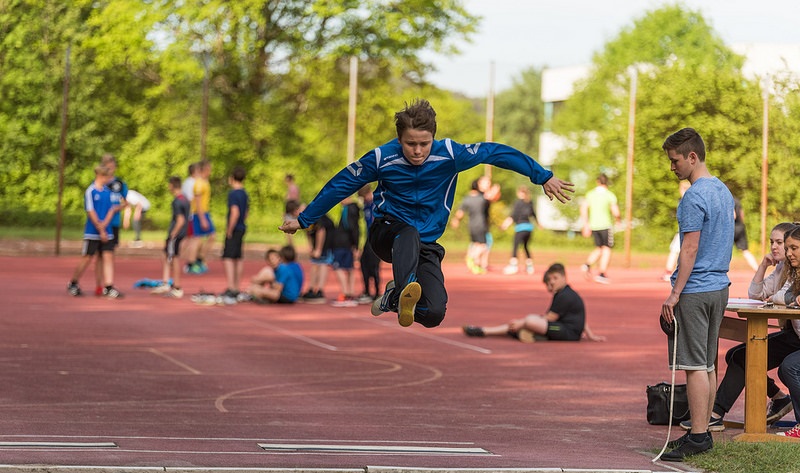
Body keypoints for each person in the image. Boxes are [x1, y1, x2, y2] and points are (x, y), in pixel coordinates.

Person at [279, 98, 574, 328]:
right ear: (400, 139)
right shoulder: (382, 158)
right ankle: (404, 287)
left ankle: (395, 297)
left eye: (424, 144)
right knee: (407, 231)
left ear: (433, 137)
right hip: (387, 232)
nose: (418, 151)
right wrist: (304, 219)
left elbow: (495, 152)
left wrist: (542, 175)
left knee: (433, 313)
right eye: (410, 144)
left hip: (426, 243)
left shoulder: (450, 154)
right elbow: (342, 184)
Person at [677, 222, 798, 433]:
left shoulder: (793, 270)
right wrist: (763, 266)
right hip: (794, 335)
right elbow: (757, 294)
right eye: (774, 243)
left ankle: (716, 414)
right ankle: (776, 399)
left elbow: (784, 297)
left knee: (777, 364)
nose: (779, 249)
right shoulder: (785, 269)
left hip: (794, 336)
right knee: (739, 355)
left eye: (784, 244)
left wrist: (780, 299)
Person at [659, 127, 734, 462]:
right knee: (707, 363)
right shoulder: (723, 190)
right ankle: (701, 430)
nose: (672, 167)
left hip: (696, 289)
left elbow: (689, 249)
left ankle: (699, 436)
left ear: (692, 156)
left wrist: (674, 294)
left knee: (693, 365)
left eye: (675, 160)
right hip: (719, 286)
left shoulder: (693, 197)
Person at [462, 263, 605, 342]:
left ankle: (527, 332)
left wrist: (522, 322)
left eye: (555, 279)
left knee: (530, 320)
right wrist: (590, 335)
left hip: (567, 332)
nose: (552, 283)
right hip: (563, 328)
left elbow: (549, 318)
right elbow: (581, 317)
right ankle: (485, 331)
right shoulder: (564, 293)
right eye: (549, 281)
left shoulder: (565, 296)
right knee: (527, 322)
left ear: (563, 277)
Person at [67, 164, 123, 299]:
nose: (109, 180)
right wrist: (100, 228)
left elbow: (111, 210)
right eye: (107, 177)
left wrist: (105, 226)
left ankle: (108, 286)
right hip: (92, 231)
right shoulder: (91, 191)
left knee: (108, 256)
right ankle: (73, 282)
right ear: (100, 176)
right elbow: (90, 211)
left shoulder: (107, 192)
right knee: (87, 257)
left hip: (107, 231)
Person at [151, 177, 190, 298]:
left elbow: (180, 220)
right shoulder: (186, 199)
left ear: (172, 185)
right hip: (182, 233)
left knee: (174, 258)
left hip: (176, 234)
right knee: (166, 255)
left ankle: (177, 287)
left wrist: (173, 233)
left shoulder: (177, 201)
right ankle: (166, 282)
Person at [580, 173, 620, 284]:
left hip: (594, 225)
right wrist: (618, 220)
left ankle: (587, 264)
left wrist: (586, 224)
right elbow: (616, 211)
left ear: (597, 182)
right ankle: (602, 273)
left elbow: (583, 208)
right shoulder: (609, 195)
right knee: (607, 249)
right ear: (607, 182)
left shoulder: (590, 194)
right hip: (605, 225)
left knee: (599, 248)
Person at [220, 166, 249, 300]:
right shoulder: (244, 193)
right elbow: (246, 212)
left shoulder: (233, 194)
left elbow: (235, 212)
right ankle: (236, 287)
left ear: (232, 178)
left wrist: (229, 229)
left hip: (235, 227)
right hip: (242, 227)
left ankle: (231, 287)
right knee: (238, 257)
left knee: (228, 257)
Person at [451, 179, 490, 274]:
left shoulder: (467, 199)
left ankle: (475, 266)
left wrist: (455, 220)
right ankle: (471, 257)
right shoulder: (482, 198)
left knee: (476, 244)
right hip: (480, 224)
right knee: (483, 245)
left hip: (471, 225)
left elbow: (460, 213)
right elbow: (491, 197)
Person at [330, 195, 361, 307]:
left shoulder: (348, 209)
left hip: (342, 243)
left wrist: (356, 245)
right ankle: (350, 293)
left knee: (338, 267)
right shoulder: (352, 209)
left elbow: (352, 228)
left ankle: (346, 293)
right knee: (349, 268)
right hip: (348, 243)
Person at [500, 186, 539, 275]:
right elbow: (533, 215)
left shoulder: (518, 203)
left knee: (515, 246)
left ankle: (513, 266)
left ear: (519, 193)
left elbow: (513, 216)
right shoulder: (529, 202)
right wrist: (538, 224)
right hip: (529, 228)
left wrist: (505, 225)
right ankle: (530, 267)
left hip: (521, 227)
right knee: (525, 246)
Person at [187, 160, 215, 274]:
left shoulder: (204, 182)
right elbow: (197, 202)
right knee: (197, 239)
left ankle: (199, 258)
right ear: (205, 169)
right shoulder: (199, 183)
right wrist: (202, 218)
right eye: (209, 169)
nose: (210, 172)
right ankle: (191, 263)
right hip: (199, 213)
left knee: (210, 237)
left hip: (204, 212)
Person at [301, 212, 335, 304]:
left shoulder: (313, 214)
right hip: (317, 240)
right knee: (314, 263)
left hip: (327, 241)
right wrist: (311, 246)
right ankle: (311, 289)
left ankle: (320, 290)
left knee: (323, 263)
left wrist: (318, 249)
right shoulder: (303, 217)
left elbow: (321, 230)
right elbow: (307, 231)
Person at [661, 181, 691, 282]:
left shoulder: (689, 200)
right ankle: (669, 271)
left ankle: (670, 272)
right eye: (682, 188)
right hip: (682, 231)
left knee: (677, 251)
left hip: (687, 231)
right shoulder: (682, 201)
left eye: (685, 189)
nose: (683, 191)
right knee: (675, 250)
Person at [357, 184, 381, 304]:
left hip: (377, 237)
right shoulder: (366, 206)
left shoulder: (376, 204)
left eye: (365, 196)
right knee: (363, 263)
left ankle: (377, 292)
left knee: (374, 265)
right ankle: (366, 291)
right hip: (368, 238)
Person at [733, 197, 760, 271]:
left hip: (732, 228)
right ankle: (757, 269)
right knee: (745, 251)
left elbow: (733, 215)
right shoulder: (737, 200)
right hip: (741, 227)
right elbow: (742, 214)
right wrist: (741, 224)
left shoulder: (728, 199)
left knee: (722, 249)